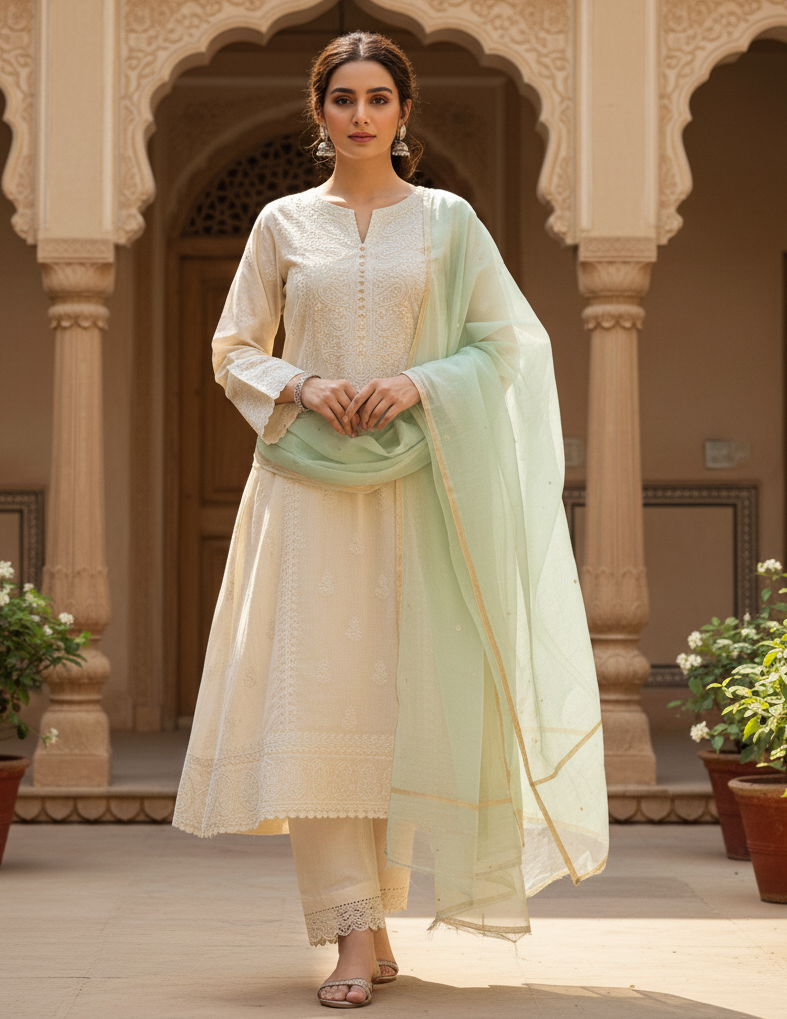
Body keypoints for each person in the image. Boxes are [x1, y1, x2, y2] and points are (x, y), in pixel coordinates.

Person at [173, 30, 608, 1009]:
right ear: (318, 111)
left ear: (404, 113)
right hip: (305, 495)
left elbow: (509, 345)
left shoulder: (448, 222)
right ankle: (350, 937)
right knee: (319, 709)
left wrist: (417, 381)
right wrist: (306, 379)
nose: (360, 115)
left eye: (378, 98)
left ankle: (372, 920)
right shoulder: (283, 223)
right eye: (343, 98)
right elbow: (233, 346)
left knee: (388, 712)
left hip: (419, 489)